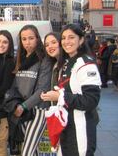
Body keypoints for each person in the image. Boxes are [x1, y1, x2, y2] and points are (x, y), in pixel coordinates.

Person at [41, 24, 101, 156]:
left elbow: (91, 100)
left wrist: (60, 96)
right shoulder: (67, 63)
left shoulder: (86, 64)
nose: (66, 41)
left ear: (80, 40)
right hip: (67, 128)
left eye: (71, 37)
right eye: (63, 38)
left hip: (81, 129)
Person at [5, 25, 53, 156]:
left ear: (37, 39)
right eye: (24, 39)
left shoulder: (45, 59)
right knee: (33, 150)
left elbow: (43, 89)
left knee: (27, 151)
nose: (27, 42)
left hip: (38, 109)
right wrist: (16, 105)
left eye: (31, 38)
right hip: (22, 110)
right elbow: (14, 85)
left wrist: (23, 106)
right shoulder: (19, 59)